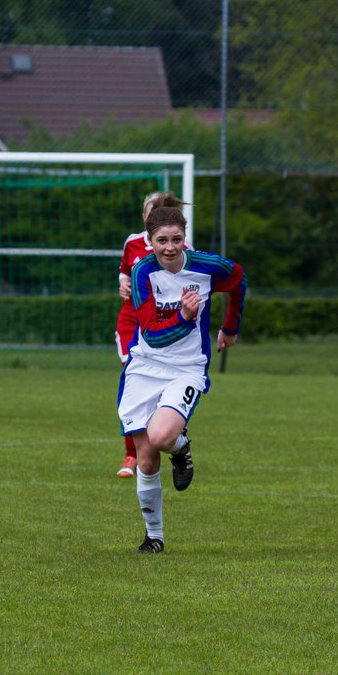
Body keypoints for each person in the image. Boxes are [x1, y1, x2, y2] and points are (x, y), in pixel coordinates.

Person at [117, 203, 247, 554]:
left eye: (176, 239)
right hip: (145, 366)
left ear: (184, 238)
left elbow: (239, 278)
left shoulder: (207, 265)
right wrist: (186, 318)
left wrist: (230, 326)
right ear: (150, 240)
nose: (170, 248)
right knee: (145, 457)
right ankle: (154, 536)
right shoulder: (143, 272)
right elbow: (154, 334)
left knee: (160, 436)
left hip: (187, 367)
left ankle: (179, 445)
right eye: (162, 240)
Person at [113, 191, 189, 477]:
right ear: (145, 216)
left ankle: (168, 433)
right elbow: (123, 272)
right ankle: (132, 455)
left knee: (159, 383)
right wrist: (123, 284)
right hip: (132, 321)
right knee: (132, 380)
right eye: (150, 210)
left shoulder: (179, 246)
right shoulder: (132, 242)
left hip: (164, 326)